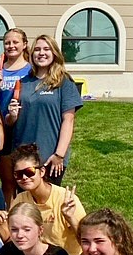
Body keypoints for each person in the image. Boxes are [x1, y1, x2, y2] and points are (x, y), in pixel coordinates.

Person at [8, 35, 82, 186]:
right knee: (26, 205)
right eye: (37, 49)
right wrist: (12, 116)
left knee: (49, 203)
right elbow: (11, 122)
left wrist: (59, 155)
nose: (41, 53)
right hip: (24, 158)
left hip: (50, 157)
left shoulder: (64, 83)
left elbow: (68, 120)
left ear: (54, 53)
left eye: (46, 49)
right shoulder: (22, 83)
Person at [0, 144, 85, 255]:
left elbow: (86, 238)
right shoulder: (20, 200)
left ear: (42, 172)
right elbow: (10, 239)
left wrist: (70, 217)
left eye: (29, 172)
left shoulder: (65, 199)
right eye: (19, 174)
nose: (24, 177)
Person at [0, 28, 31, 205]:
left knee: (26, 179)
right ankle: (8, 213)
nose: (11, 46)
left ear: (24, 45)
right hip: (2, 130)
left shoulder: (31, 70)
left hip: (25, 128)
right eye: (7, 43)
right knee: (7, 181)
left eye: (15, 42)